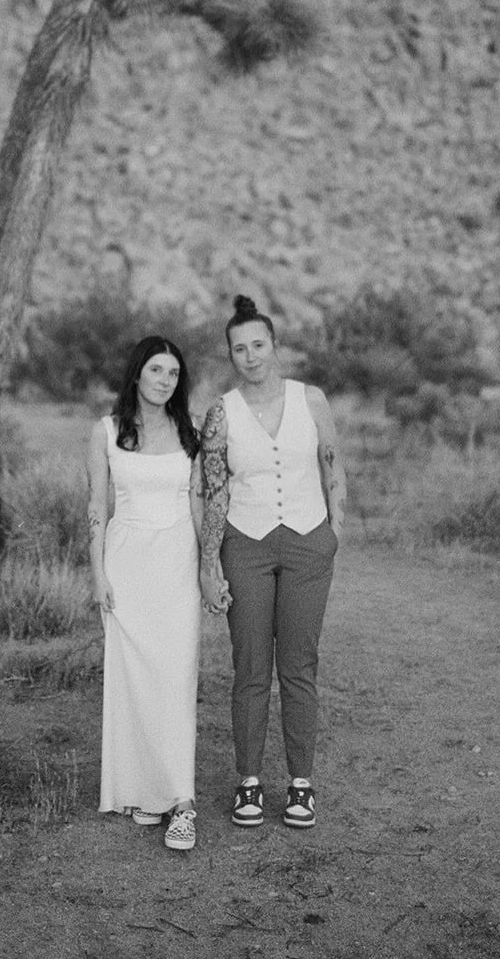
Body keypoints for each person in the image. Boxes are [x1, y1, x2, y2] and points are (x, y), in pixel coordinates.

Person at [199, 294, 347, 830]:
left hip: (309, 541)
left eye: (258, 344)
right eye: (240, 348)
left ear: (275, 346)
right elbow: (215, 490)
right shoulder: (222, 412)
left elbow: (332, 465)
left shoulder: (312, 400)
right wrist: (210, 563)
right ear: (231, 355)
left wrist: (334, 532)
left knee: (300, 665)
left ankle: (301, 785)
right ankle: (249, 784)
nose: (250, 356)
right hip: (247, 544)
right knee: (251, 666)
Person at [86, 335, 203, 852]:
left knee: (176, 677)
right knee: (134, 678)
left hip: (177, 559)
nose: (164, 380)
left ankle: (182, 803)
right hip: (127, 561)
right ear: (137, 373)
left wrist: (208, 570)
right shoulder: (106, 431)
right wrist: (97, 574)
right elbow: (96, 505)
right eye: (156, 370)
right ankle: (144, 791)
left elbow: (199, 505)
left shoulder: (188, 433)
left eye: (173, 373)